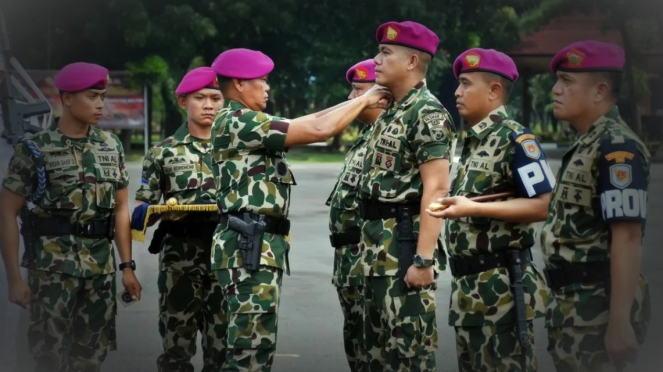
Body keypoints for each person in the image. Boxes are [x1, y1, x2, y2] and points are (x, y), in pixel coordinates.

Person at [209, 48, 391, 371]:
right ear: (238, 83)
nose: (267, 88)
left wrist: (358, 101)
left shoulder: (248, 121)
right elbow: (319, 130)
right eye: (261, 81)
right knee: (248, 355)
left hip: (256, 247)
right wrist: (364, 99)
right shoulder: (238, 120)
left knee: (251, 348)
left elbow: (310, 121)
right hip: (248, 248)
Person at [0, 62, 141, 372]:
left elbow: (120, 208)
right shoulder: (36, 149)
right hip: (52, 270)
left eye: (103, 96)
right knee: (49, 356)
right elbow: (7, 213)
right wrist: (13, 279)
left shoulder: (111, 145)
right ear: (66, 98)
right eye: (92, 96)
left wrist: (127, 266)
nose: (101, 104)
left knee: (92, 357)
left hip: (100, 271)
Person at [427, 48, 554, 372]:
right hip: (470, 293)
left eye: (466, 84)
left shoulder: (516, 140)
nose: (457, 92)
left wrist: (469, 207)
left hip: (503, 291)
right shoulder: (476, 141)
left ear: (494, 90)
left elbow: (544, 204)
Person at [541, 40, 651, 372]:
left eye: (567, 81)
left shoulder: (618, 147)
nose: (556, 90)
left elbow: (628, 237)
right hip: (573, 308)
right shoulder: (588, 142)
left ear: (600, 90)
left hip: (598, 310)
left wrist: (619, 321)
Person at [358, 21, 456, 371]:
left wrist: (423, 259)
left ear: (412, 62)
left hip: (403, 247)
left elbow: (437, 188)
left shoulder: (426, 113)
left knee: (409, 355)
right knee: (378, 356)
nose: (376, 60)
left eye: (385, 53)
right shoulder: (392, 110)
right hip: (376, 251)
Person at [132, 67, 226, 372]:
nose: (209, 104)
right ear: (183, 102)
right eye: (200, 97)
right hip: (179, 258)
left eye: (216, 97)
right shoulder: (162, 152)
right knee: (176, 346)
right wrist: (154, 213)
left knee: (223, 348)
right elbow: (140, 210)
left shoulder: (237, 150)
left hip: (227, 255)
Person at [325, 59, 383, 372]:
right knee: (357, 342)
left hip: (369, 259)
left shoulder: (391, 140)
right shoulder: (363, 139)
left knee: (375, 348)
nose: (350, 98)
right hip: (348, 261)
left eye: (358, 90)